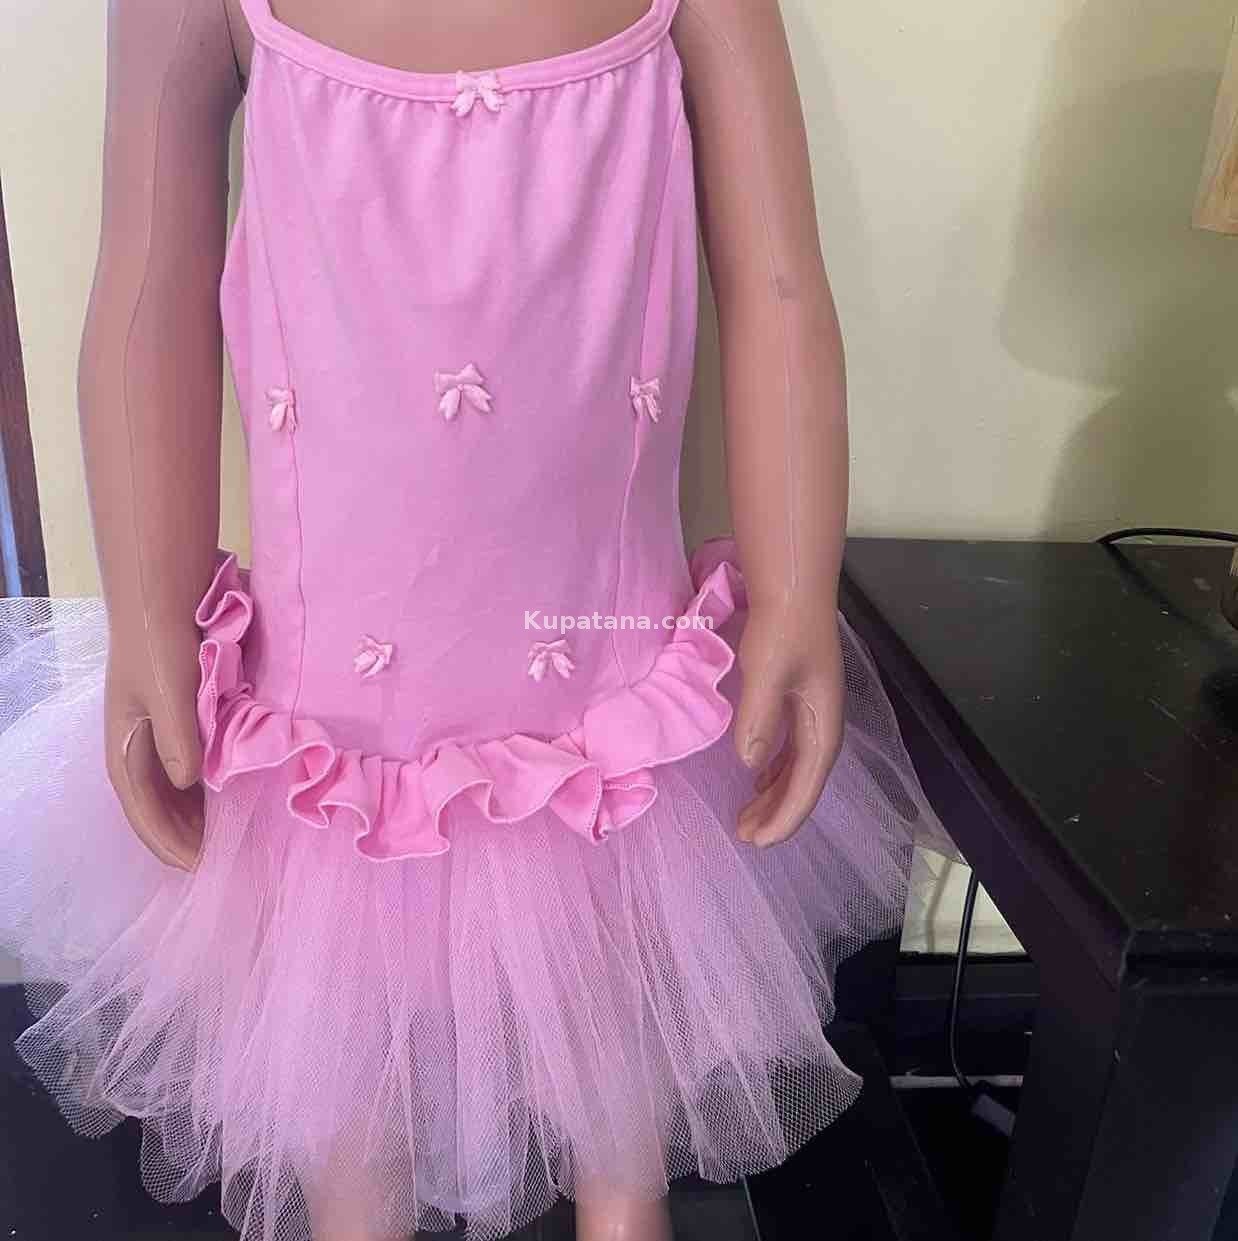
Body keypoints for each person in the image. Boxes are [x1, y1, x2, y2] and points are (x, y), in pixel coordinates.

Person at [0, 1, 953, 1237]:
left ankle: (622, 1204)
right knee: (343, 1055)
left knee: (614, 1018)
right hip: (333, 710)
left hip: (604, 689)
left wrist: (794, 587)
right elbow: (146, 284)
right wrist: (147, 620)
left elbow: (775, 284)